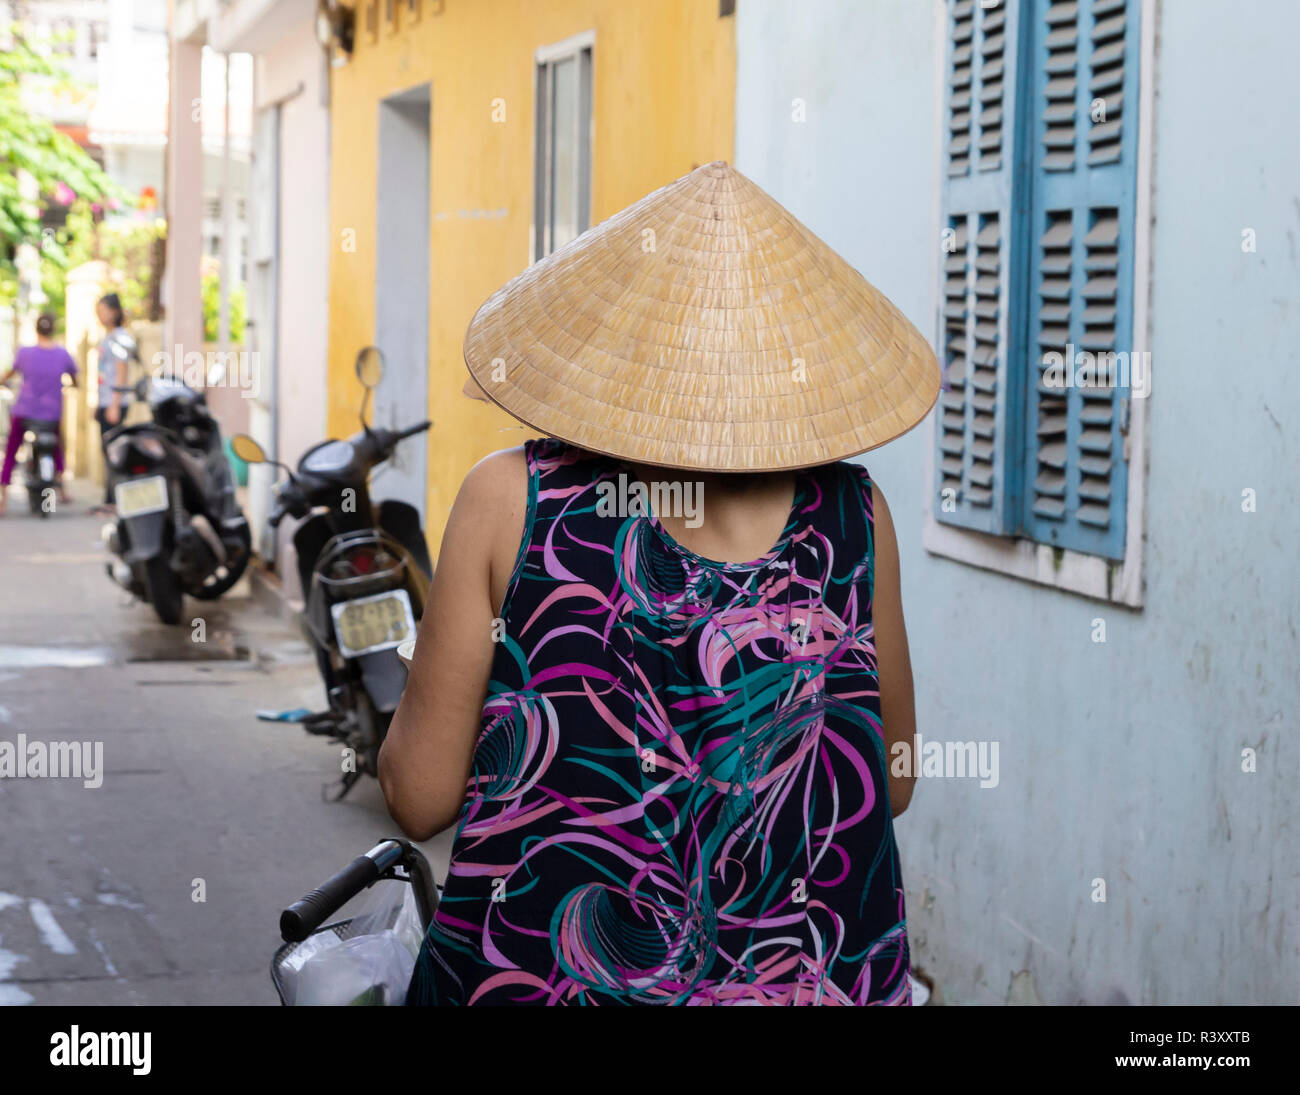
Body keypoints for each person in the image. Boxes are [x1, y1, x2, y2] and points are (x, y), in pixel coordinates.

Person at [379, 162, 939, 1006]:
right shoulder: (855, 518)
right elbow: (889, 780)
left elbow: (418, 797)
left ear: (618, 348)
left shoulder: (512, 501)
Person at [0, 312, 77, 516]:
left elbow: (9, 374)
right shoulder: (62, 354)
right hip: (51, 414)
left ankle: (3, 500)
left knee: (11, 451)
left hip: (25, 411)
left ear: (37, 329)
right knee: (56, 448)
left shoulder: (24, 353)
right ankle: (62, 490)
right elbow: (75, 377)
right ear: (53, 330)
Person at [90, 292, 138, 516]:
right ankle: (110, 499)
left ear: (116, 311)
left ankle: (115, 501)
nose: (102, 315)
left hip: (114, 401)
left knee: (115, 453)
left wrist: (114, 404)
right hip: (106, 400)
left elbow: (121, 371)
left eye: (105, 311)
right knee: (108, 452)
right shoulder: (108, 336)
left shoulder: (120, 337)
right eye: (99, 311)